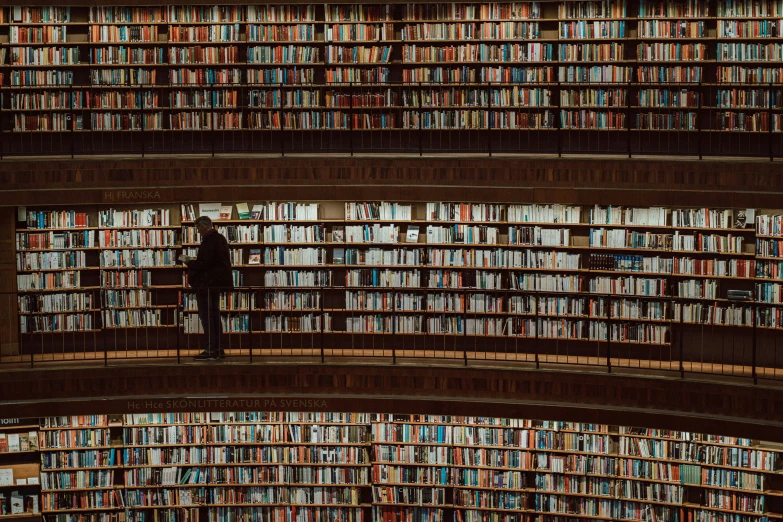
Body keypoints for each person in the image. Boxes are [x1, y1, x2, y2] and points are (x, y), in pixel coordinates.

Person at [181, 216, 233, 361]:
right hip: (216, 284)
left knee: (207, 317)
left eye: (198, 228)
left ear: (204, 226)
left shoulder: (209, 241)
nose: (198, 231)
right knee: (214, 317)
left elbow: (204, 264)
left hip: (208, 285)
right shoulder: (220, 238)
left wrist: (189, 262)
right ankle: (218, 349)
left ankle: (211, 349)